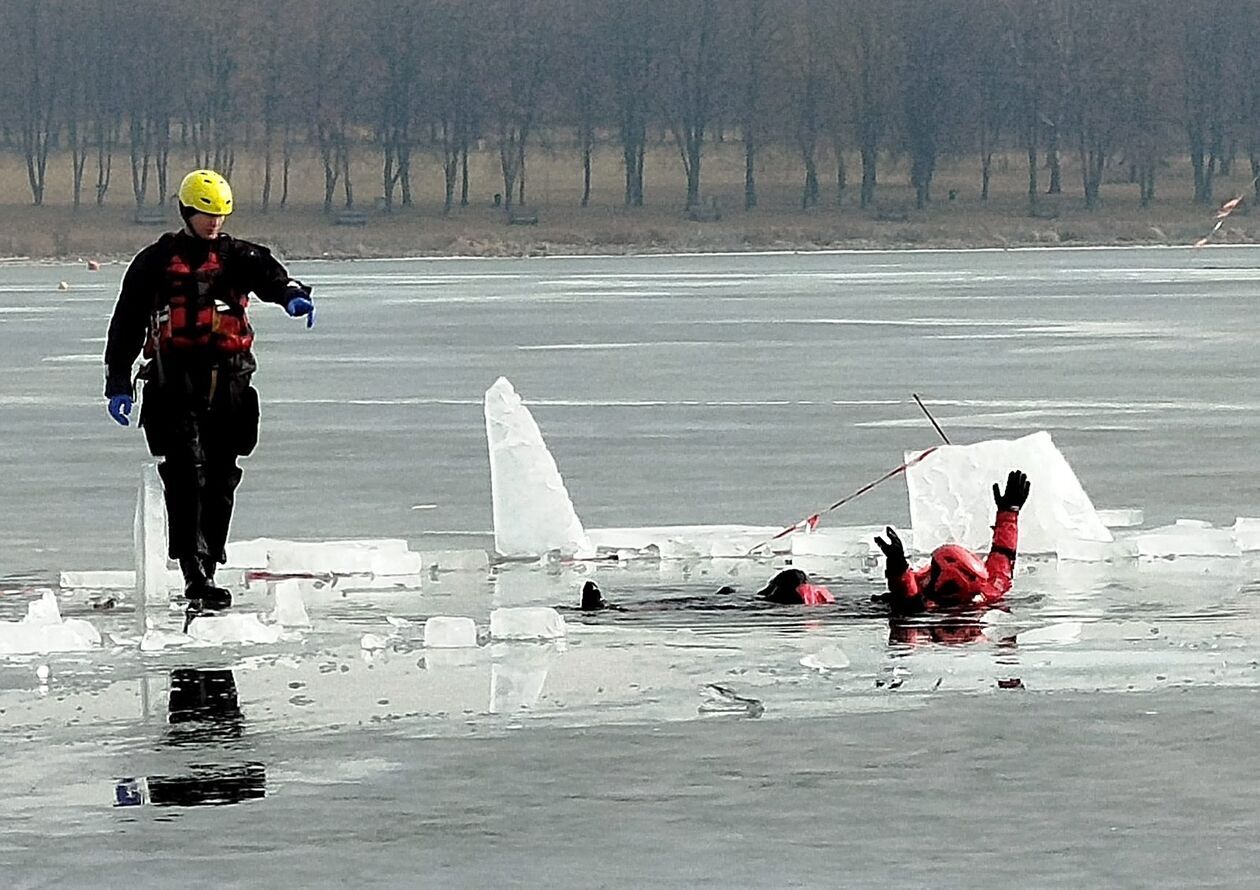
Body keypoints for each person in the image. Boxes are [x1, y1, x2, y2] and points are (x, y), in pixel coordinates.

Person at [103, 169, 315, 610]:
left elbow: (275, 279)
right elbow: (125, 323)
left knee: (220, 476)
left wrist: (292, 296)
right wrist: (118, 382)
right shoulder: (154, 262)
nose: (213, 222)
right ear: (187, 212)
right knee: (184, 473)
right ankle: (194, 571)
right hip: (172, 382)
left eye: (220, 214)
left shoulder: (240, 256)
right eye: (205, 214)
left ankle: (211, 563)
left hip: (231, 381)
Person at [874, 469, 1030, 614]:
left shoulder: (924, 603)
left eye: (933, 570)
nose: (926, 572)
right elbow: (1002, 556)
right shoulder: (987, 591)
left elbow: (907, 594)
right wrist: (1009, 512)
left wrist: (897, 565)